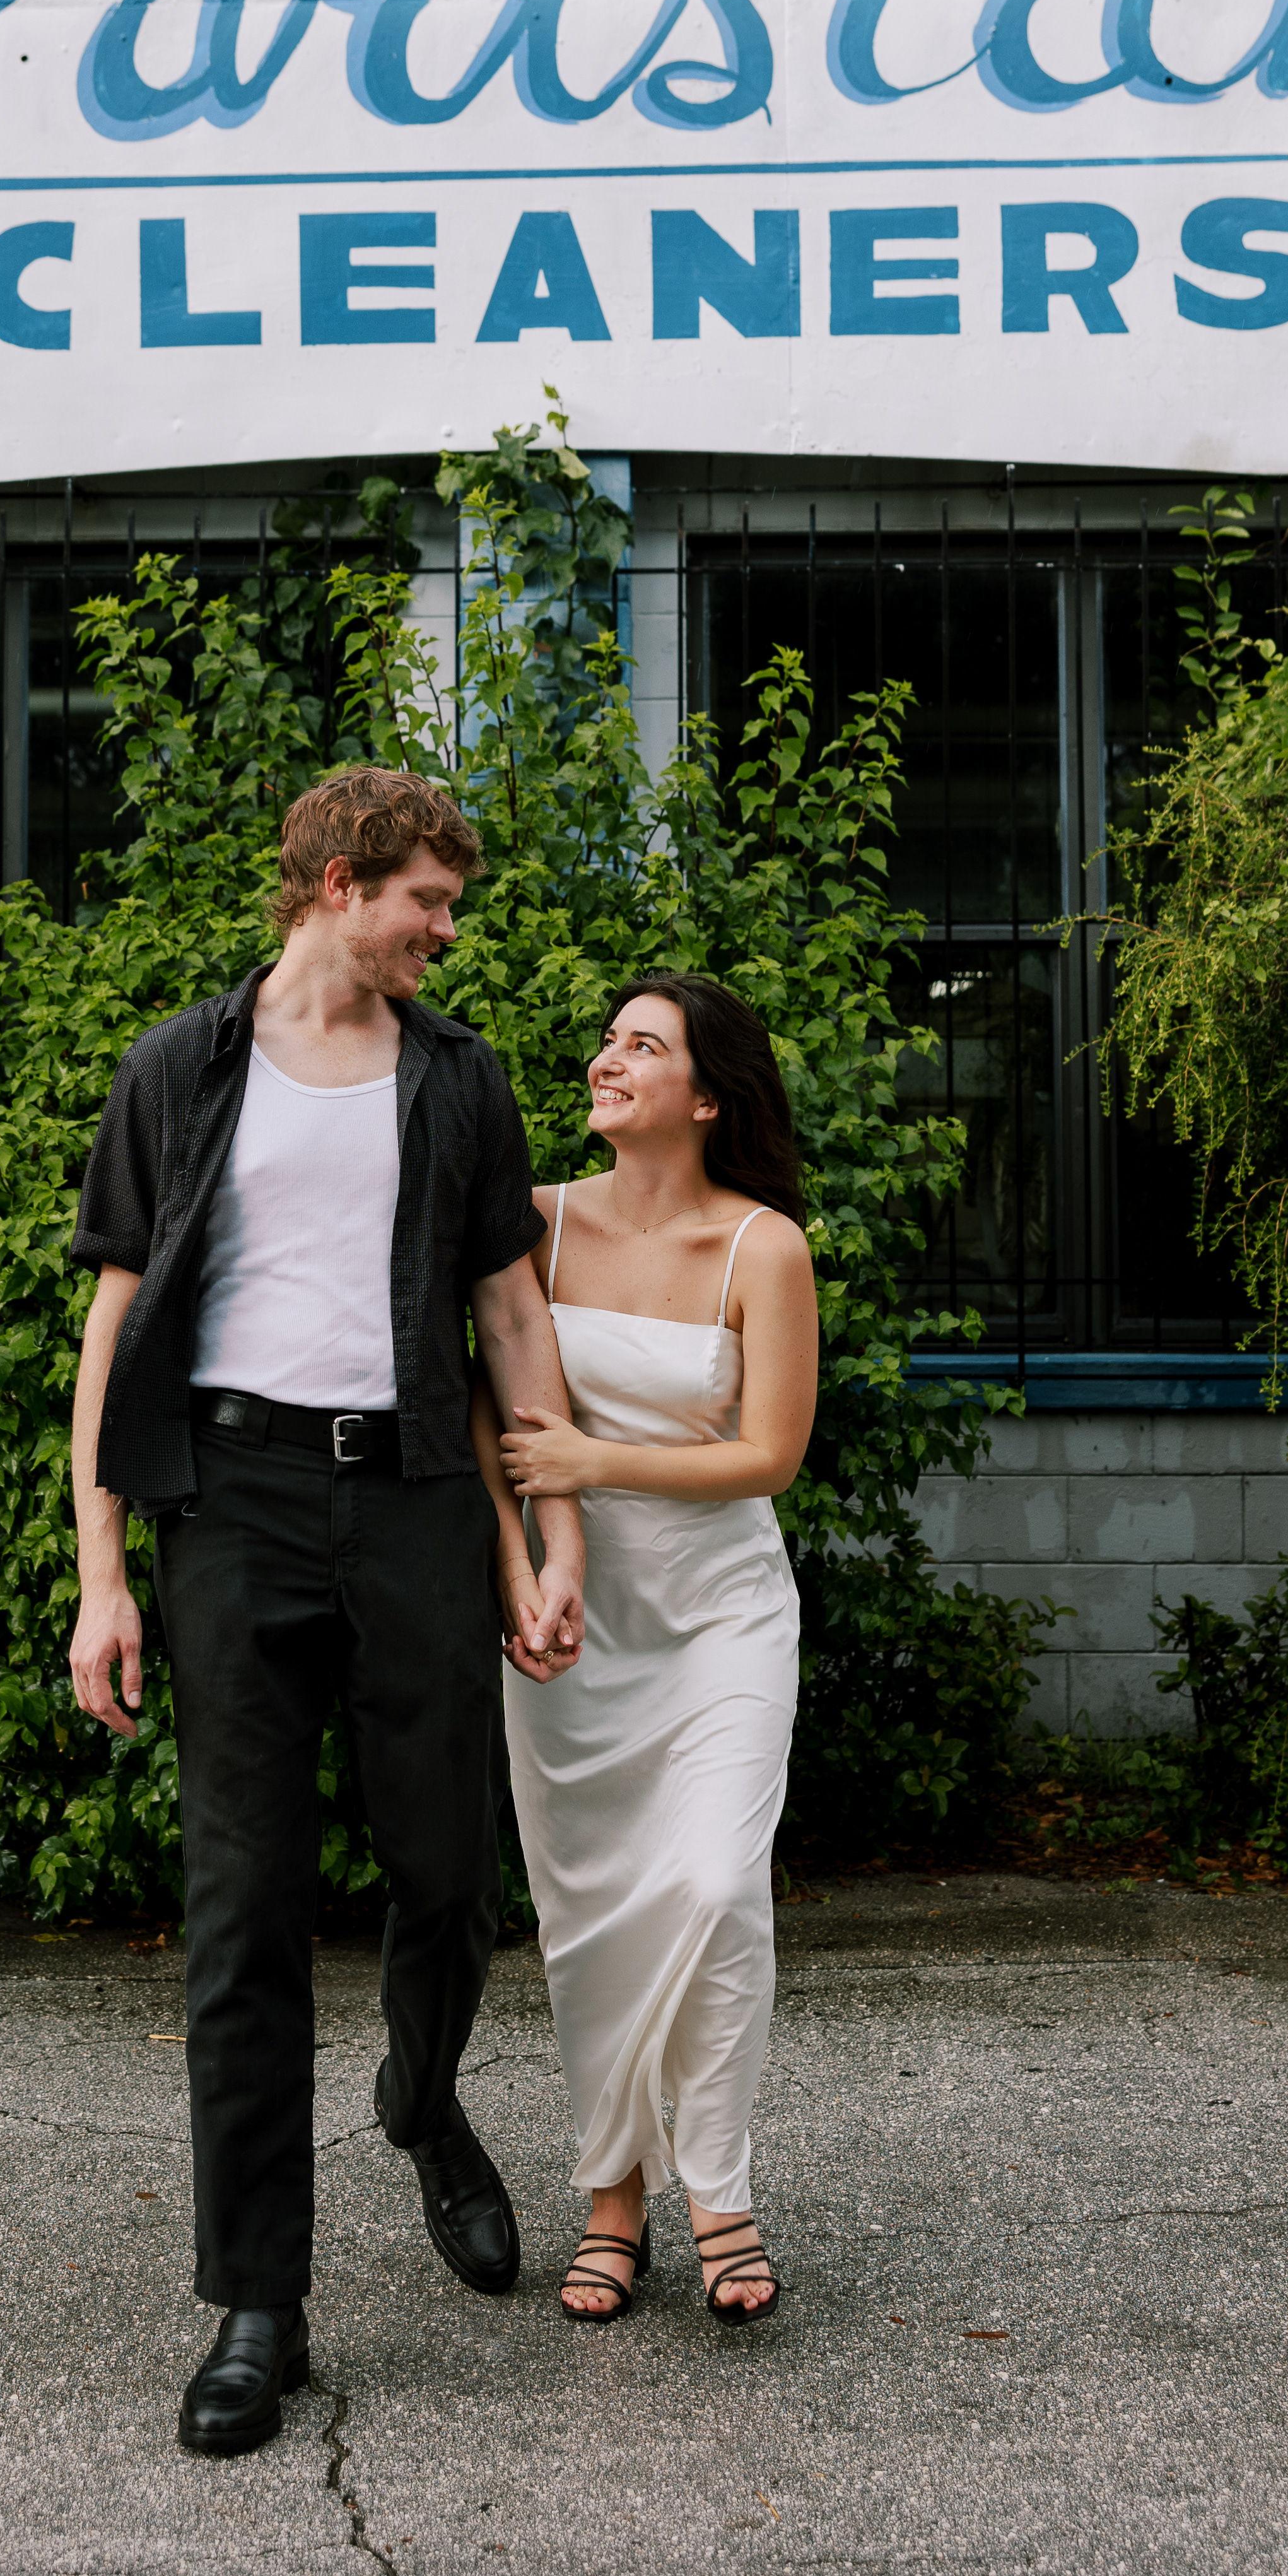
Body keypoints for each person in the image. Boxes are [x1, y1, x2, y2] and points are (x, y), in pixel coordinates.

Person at [65, 766, 590, 2459]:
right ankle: (259, 2305)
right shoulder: (180, 1067)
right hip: (232, 1506)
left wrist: (550, 1536)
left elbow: (511, 1318)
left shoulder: (458, 1078)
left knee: (447, 1873)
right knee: (244, 1910)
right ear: (341, 884)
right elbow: (115, 1326)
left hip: (417, 1495)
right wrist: (102, 1574)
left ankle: (422, 2104)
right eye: (429, 900)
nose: (446, 931)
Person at [487, 971, 815, 2328]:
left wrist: (594, 1457)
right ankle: (613, 2194)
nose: (606, 1060)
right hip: (572, 1626)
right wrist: (519, 1573)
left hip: (722, 1618)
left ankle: (720, 2190)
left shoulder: (762, 1249)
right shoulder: (535, 1224)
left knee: (718, 1890)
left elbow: (771, 1456)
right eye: (607, 1040)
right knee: (591, 1922)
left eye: (643, 1045)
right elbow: (487, 1409)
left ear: (707, 1095)